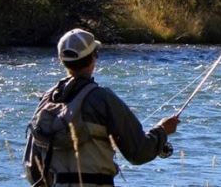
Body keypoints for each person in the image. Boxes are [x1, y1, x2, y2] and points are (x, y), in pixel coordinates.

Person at [28, 28, 179, 186]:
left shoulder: (46, 102)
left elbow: (32, 168)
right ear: (94, 57)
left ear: (61, 60)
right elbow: (138, 153)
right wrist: (162, 131)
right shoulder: (102, 98)